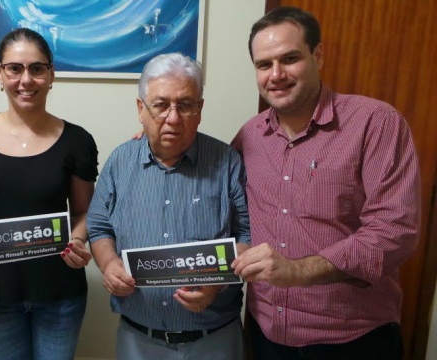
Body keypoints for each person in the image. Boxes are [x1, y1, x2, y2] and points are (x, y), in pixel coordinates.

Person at [230, 6, 420, 360]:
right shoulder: (249, 136)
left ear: (318, 55)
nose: (277, 74)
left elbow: (394, 231)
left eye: (290, 58)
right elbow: (218, 190)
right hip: (266, 332)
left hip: (352, 338)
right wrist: (159, 142)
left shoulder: (375, 123)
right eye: (264, 64)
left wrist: (297, 270)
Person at [87, 52, 250, 360]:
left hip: (214, 339)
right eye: (161, 104)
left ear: (199, 110)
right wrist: (109, 264)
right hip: (137, 338)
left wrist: (217, 282)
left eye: (185, 105)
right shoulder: (120, 161)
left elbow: (248, 234)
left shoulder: (228, 162)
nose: (173, 118)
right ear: (141, 109)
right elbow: (98, 226)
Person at [0, 28, 98, 360]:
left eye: (37, 68)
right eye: (15, 68)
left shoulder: (77, 140)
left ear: (51, 75)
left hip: (60, 294)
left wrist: (79, 240)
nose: (26, 79)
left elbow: (84, 211)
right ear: (0, 73)